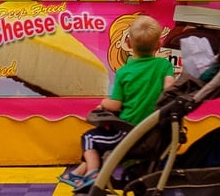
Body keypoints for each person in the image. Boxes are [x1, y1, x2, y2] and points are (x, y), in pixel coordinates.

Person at [59, 14, 175, 191]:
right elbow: (170, 89)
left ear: (128, 44)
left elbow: (116, 105)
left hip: (128, 132)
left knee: (90, 138)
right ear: (159, 44)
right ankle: (79, 172)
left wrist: (104, 102)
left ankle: (93, 173)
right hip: (152, 132)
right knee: (100, 137)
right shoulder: (164, 65)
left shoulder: (124, 72)